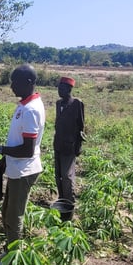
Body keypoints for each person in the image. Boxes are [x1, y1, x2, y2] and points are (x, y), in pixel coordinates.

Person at [0, 64, 45, 257]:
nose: (11, 86)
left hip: (24, 170)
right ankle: (9, 251)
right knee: (6, 213)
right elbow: (19, 141)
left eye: (15, 82)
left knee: (14, 216)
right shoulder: (24, 105)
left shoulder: (31, 110)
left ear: (28, 83)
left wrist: (0, 149)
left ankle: (13, 258)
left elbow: (27, 150)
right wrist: (5, 159)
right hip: (16, 168)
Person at [53, 76, 85, 208]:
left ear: (69, 89)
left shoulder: (77, 104)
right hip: (58, 144)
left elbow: (81, 126)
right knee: (58, 174)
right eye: (59, 87)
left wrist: (78, 146)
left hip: (70, 145)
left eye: (63, 88)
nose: (60, 90)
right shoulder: (58, 104)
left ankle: (70, 202)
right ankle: (62, 199)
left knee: (67, 175)